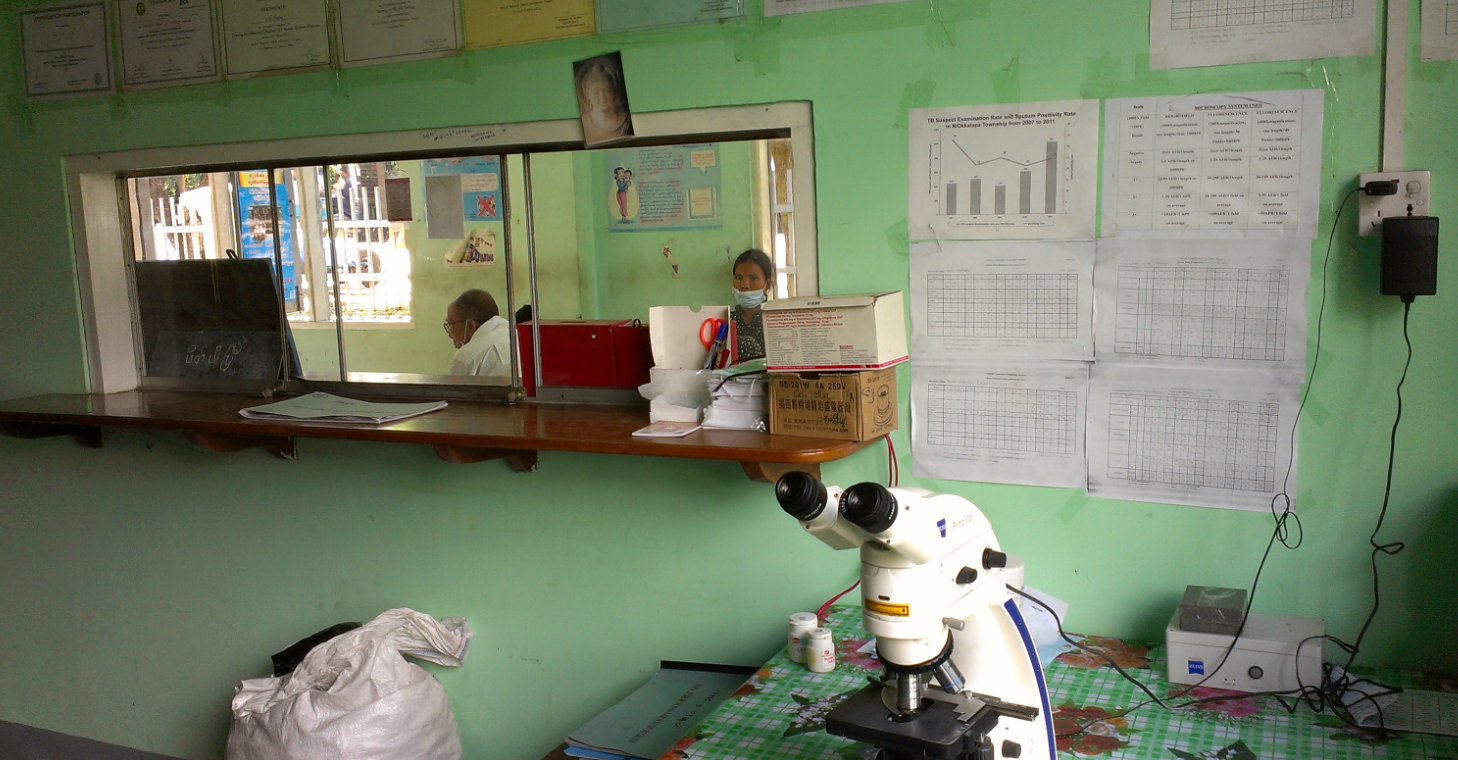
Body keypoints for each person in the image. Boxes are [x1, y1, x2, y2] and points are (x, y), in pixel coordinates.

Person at [444, 289, 511, 379]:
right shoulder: (517, 335)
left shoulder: (467, 357)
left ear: (470, 325)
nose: (450, 334)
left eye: (450, 324)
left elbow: (454, 387)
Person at [574, 54, 633, 146]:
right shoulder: (585, 124)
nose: (602, 98)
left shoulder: (627, 120)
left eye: (607, 91)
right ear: (587, 95)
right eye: (596, 93)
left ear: (614, 91)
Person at [729, 249, 775, 363]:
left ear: (767, 284)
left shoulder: (776, 322)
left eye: (753, 278)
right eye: (738, 278)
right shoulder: (726, 321)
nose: (744, 285)